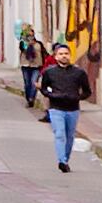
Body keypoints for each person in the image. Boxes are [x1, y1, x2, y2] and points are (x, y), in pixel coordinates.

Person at [32, 38, 88, 171]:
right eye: (61, 54)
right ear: (56, 56)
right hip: (56, 108)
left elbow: (87, 91)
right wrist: (52, 95)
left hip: (73, 109)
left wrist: (77, 97)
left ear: (70, 55)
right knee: (59, 133)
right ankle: (61, 160)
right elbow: (44, 88)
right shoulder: (49, 72)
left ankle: (65, 160)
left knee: (69, 136)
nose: (64, 56)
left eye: (66, 54)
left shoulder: (79, 73)